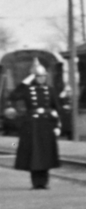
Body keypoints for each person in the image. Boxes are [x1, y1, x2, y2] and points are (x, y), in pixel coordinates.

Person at [9, 60, 61, 189]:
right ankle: (36, 182)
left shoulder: (50, 90)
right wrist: (27, 79)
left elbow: (57, 108)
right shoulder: (27, 89)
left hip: (47, 125)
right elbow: (13, 96)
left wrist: (58, 125)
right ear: (34, 77)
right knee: (35, 154)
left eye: (44, 76)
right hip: (32, 126)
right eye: (39, 76)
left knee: (46, 154)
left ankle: (44, 182)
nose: (42, 79)